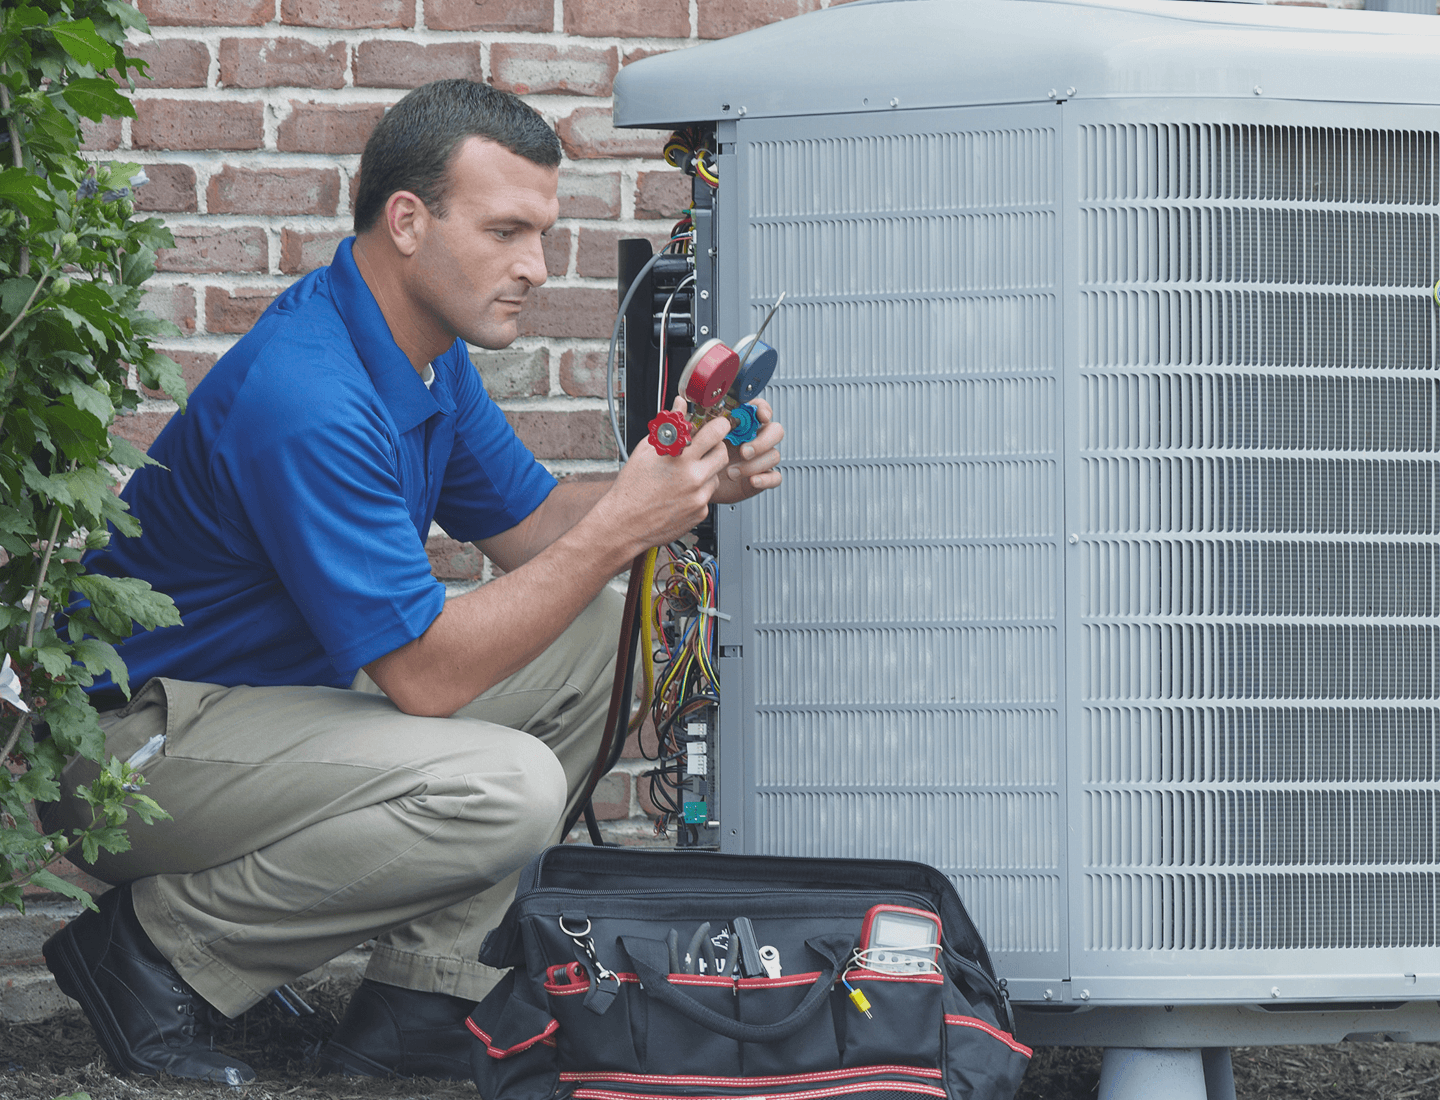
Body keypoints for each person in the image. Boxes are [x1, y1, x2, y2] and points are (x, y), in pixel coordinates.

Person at [40, 79, 782, 1084]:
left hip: (263, 708)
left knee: (609, 632)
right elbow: (426, 679)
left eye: (545, 235)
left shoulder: (421, 356)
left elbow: (533, 535)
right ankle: (154, 951)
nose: (535, 268)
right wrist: (621, 525)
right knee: (503, 786)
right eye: (508, 230)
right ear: (407, 221)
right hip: (131, 751)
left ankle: (424, 1000)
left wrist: (686, 484)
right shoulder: (310, 392)